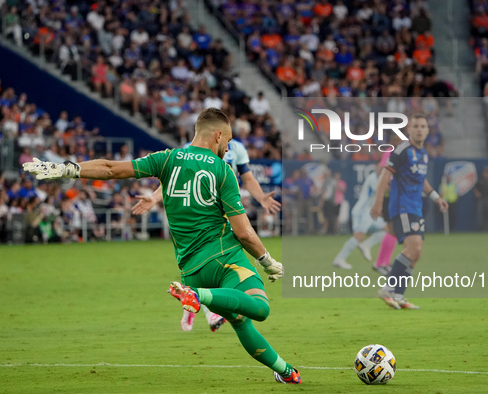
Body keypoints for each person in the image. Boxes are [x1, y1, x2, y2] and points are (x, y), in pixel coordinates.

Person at [23, 108, 301, 384]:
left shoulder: (168, 159)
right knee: (260, 309)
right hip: (224, 259)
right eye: (227, 142)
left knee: (241, 320)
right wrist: (267, 261)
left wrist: (65, 169)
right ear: (218, 135)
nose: (227, 149)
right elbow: (245, 233)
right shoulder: (222, 170)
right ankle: (199, 296)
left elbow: (110, 168)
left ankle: (285, 372)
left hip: (190, 268)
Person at [132, 137, 281, 332]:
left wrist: (261, 197)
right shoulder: (189, 149)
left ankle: (199, 303)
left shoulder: (236, 148)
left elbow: (247, 177)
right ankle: (203, 304)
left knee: (219, 260)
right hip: (204, 213)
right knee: (211, 257)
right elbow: (174, 177)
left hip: (226, 207)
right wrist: (154, 197)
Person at [370, 114, 448, 310]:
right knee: (413, 249)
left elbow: (423, 182)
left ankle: (398, 295)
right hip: (402, 206)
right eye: (416, 126)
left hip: (416, 207)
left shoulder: (423, 153)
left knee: (417, 253)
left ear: (428, 130)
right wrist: (378, 202)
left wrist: (436, 197)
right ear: (410, 130)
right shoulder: (402, 150)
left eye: (423, 126)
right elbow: (385, 174)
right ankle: (388, 287)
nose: (420, 129)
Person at [333, 162, 387, 269]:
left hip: (370, 213)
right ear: (376, 167)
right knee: (359, 236)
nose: (381, 169)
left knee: (388, 229)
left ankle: (367, 245)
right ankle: (339, 259)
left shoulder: (383, 179)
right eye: (380, 166)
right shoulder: (373, 178)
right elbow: (380, 190)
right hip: (362, 212)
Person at [373, 134, 405, 276]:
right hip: (388, 196)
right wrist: (386, 184)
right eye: (399, 140)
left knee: (393, 231)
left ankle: (385, 262)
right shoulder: (389, 153)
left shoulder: (397, 153)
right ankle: (380, 263)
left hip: (395, 195)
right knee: (392, 230)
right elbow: (382, 171)